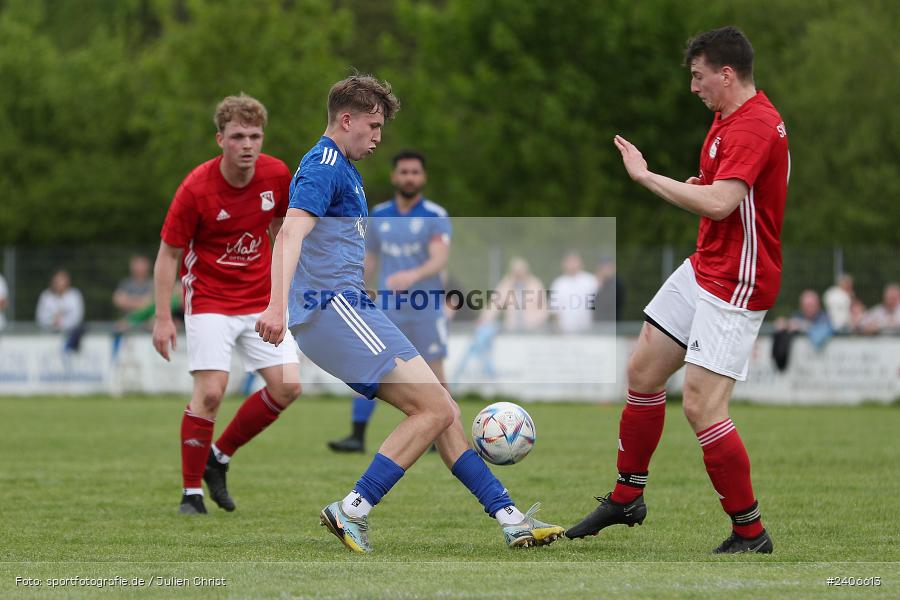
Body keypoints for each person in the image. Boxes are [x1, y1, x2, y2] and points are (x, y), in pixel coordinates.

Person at [256, 74, 563, 552]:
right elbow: (290, 234)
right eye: (374, 126)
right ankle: (352, 509)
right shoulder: (324, 164)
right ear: (346, 120)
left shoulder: (342, 169)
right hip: (333, 309)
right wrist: (276, 305)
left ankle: (511, 519)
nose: (378, 137)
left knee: (443, 411)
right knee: (435, 407)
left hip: (345, 308)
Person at [566, 27, 788, 554]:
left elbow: (722, 204)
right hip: (706, 264)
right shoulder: (727, 117)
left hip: (737, 280)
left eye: (698, 76)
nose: (693, 87)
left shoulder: (754, 125)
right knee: (643, 370)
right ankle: (627, 497)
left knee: (702, 407)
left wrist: (647, 177)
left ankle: (750, 532)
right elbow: (719, 191)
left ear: (726, 74)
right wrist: (695, 186)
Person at [153, 94, 302, 516]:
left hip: (259, 300)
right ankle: (190, 494)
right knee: (212, 392)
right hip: (210, 300)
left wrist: (284, 295)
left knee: (288, 386)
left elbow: (282, 235)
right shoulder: (196, 188)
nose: (247, 145)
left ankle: (217, 458)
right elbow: (168, 255)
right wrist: (163, 317)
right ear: (220, 139)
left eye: (255, 136)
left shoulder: (276, 174)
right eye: (238, 136)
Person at [328, 150, 451, 454]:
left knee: (435, 372)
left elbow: (439, 259)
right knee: (368, 365)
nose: (409, 177)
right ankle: (357, 436)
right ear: (395, 176)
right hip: (388, 308)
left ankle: (441, 436)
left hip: (425, 308)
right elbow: (369, 259)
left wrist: (413, 275)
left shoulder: (434, 215)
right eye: (404, 172)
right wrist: (353, 286)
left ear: (423, 177)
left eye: (415, 172)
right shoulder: (380, 214)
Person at [549, 252, 598, 333]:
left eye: (574, 262)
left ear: (581, 263)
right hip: (565, 332)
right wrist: (559, 331)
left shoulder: (591, 281)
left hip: (588, 330)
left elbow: (600, 305)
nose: (572, 265)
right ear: (564, 264)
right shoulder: (558, 283)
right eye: (569, 262)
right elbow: (555, 311)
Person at [36, 269, 84, 335]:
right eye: (56, 281)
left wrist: (61, 323)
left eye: (60, 280)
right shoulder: (46, 295)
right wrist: (52, 322)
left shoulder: (74, 295)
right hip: (47, 334)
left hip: (70, 334)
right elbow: (41, 317)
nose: (58, 283)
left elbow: (77, 317)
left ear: (67, 281)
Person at [113, 255, 154, 322]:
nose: (138, 268)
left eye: (141, 265)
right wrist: (142, 302)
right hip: (127, 321)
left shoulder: (152, 283)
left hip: (148, 322)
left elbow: (152, 303)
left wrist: (129, 300)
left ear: (147, 266)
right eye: (136, 265)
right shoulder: (125, 283)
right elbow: (118, 301)